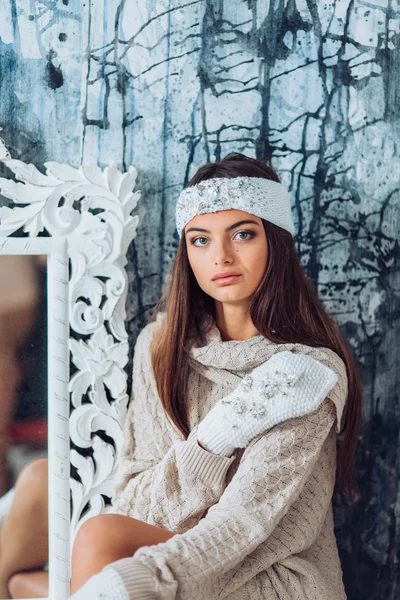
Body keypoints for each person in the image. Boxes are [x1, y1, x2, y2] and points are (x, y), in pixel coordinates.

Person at [2, 152, 363, 599]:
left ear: (276, 242)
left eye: (243, 234)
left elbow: (246, 524)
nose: (221, 256)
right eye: (200, 240)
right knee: (26, 561)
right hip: (174, 551)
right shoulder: (163, 346)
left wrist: (129, 581)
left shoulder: (305, 372)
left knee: (95, 542)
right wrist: (218, 435)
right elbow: (136, 502)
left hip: (268, 572)